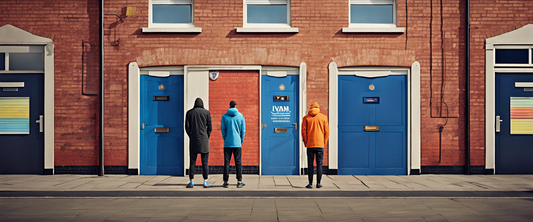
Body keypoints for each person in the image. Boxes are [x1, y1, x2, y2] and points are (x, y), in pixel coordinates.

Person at [185, 98, 212, 188]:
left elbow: (187, 127)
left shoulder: (189, 113)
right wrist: (206, 136)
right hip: (204, 140)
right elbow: (210, 127)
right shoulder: (206, 113)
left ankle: (191, 181)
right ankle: (205, 181)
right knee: (205, 162)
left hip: (194, 140)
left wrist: (191, 136)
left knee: (192, 162)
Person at [301, 101, 329, 189]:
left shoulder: (306, 118)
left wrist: (306, 142)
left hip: (310, 145)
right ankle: (318, 183)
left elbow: (303, 132)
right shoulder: (324, 117)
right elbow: (327, 132)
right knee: (319, 164)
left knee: (310, 164)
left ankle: (310, 183)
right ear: (318, 108)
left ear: (310, 108)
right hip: (320, 145)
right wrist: (323, 143)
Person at [221, 100, 246, 188]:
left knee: (226, 163)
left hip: (227, 143)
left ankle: (225, 182)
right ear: (235, 106)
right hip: (237, 143)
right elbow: (243, 130)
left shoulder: (224, 117)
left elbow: (223, 130)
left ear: (229, 106)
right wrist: (240, 140)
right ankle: (239, 181)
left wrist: (225, 138)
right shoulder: (240, 116)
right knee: (238, 162)